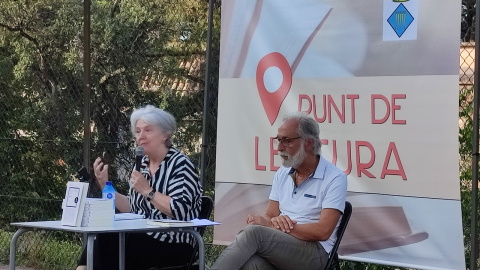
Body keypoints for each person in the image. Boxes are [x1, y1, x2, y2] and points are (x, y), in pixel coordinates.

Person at [211, 112, 347, 270]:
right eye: (278, 140)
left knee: (253, 234)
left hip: (316, 253)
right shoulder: (283, 173)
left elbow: (323, 231)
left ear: (309, 143)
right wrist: (267, 221)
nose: (280, 148)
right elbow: (271, 214)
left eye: (287, 141)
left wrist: (274, 226)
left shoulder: (334, 178)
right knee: (251, 264)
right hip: (285, 247)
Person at [76, 105, 203, 270]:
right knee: (104, 235)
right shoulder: (142, 164)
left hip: (174, 241)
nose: (141, 136)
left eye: (148, 130)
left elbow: (180, 210)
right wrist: (105, 186)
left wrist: (148, 191)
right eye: (137, 131)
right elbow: (132, 207)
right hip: (142, 236)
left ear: (165, 134)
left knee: (114, 240)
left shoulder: (180, 164)